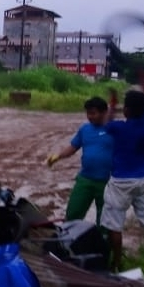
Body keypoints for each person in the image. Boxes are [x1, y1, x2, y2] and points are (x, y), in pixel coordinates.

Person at [100, 88, 144, 271]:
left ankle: (118, 263)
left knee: (115, 224)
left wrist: (112, 105)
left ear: (126, 110)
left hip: (121, 181)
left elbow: (106, 123)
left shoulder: (119, 128)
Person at [45, 96, 113, 225]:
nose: (90, 116)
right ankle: (70, 241)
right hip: (85, 179)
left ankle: (102, 242)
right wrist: (57, 156)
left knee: (105, 220)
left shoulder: (114, 130)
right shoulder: (84, 129)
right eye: (88, 113)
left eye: (93, 113)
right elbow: (73, 147)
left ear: (104, 112)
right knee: (73, 214)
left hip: (107, 182)